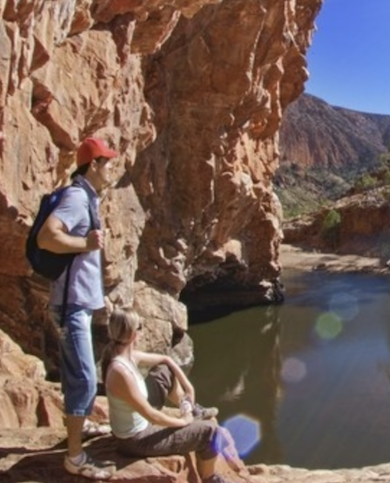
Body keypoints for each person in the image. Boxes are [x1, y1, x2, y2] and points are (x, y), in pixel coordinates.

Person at [37, 137, 119, 479]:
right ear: (94, 165)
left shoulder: (88, 197)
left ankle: (79, 430)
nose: (112, 168)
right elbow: (47, 237)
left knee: (78, 376)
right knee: (84, 378)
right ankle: (75, 459)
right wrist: (85, 243)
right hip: (71, 306)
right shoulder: (75, 196)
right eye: (108, 162)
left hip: (80, 303)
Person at [103, 309, 244, 483]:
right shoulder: (120, 372)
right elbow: (152, 415)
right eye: (141, 327)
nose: (143, 331)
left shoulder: (126, 355)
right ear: (133, 333)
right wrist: (183, 421)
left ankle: (192, 409)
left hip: (139, 422)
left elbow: (165, 361)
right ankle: (209, 478)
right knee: (211, 432)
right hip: (136, 440)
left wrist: (188, 388)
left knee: (163, 371)